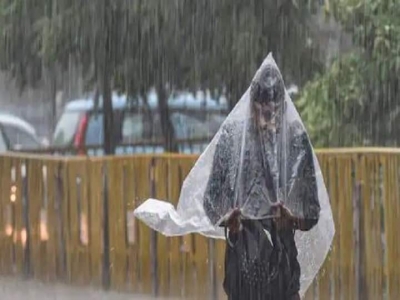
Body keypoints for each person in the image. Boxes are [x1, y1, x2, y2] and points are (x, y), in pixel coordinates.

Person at [203, 63, 321, 300]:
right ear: (251, 106)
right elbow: (211, 201)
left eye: (274, 110)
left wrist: (292, 218)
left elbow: (312, 211)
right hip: (242, 272)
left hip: (282, 271)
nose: (268, 119)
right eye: (263, 110)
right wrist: (228, 219)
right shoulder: (232, 142)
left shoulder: (295, 143)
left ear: (283, 106)